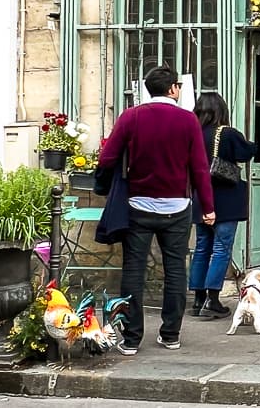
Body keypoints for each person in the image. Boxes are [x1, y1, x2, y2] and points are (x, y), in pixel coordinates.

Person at [98, 65, 215, 355]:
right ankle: (170, 334)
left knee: (133, 271)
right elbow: (200, 168)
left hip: (138, 205)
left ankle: (132, 338)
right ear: (174, 89)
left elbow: (107, 157)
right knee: (175, 270)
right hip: (177, 207)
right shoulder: (188, 120)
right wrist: (209, 208)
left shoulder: (131, 116)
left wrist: (103, 187)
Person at [189, 92, 258, 319]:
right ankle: (213, 299)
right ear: (221, 110)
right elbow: (246, 152)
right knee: (221, 249)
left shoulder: (193, 133)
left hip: (201, 197)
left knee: (201, 248)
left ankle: (198, 299)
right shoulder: (226, 133)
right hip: (225, 198)